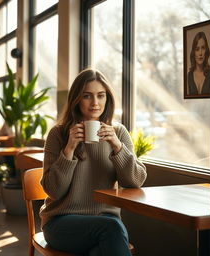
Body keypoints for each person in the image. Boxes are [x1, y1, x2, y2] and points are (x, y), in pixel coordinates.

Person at [40, 68, 147, 255]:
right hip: (61, 222)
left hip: (104, 223)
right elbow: (53, 191)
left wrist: (117, 146)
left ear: (108, 99)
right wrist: (69, 148)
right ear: (76, 99)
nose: (95, 103)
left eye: (101, 95)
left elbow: (136, 181)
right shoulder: (58, 134)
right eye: (87, 96)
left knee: (99, 250)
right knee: (111, 228)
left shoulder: (119, 132)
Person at [187, 31, 210, 95]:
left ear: (206, 50)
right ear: (193, 52)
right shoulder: (189, 75)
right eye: (197, 49)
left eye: (203, 48)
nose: (200, 53)